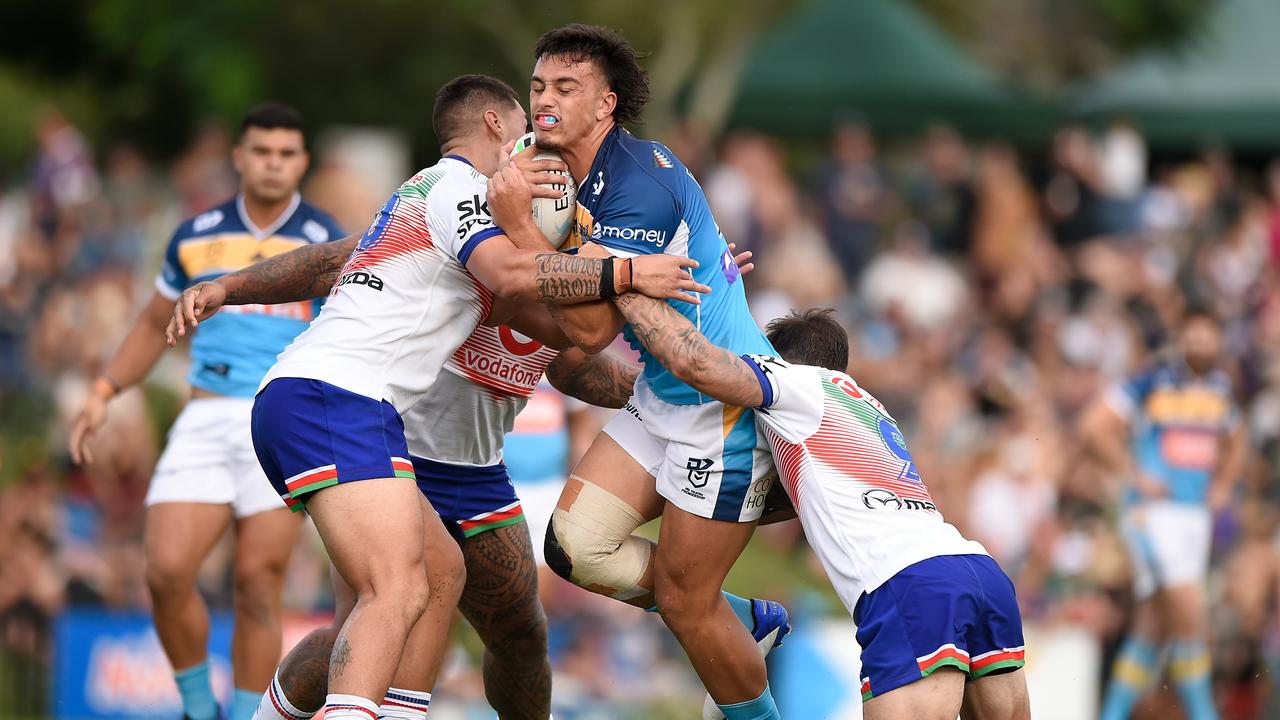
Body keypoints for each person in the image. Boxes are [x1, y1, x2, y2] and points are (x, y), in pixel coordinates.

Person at [169, 74, 703, 720]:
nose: (536, 153)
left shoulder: (462, 209)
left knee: (440, 578)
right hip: (345, 404)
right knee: (390, 594)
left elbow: (569, 338)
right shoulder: (463, 190)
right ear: (498, 128)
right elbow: (510, 279)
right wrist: (629, 274)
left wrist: (668, 352)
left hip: (372, 421)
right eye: (527, 130)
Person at [496, 24, 789, 719]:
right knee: (574, 548)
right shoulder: (538, 161)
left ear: (606, 104)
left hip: (722, 405)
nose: (546, 101)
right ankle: (746, 617)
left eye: (567, 88)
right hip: (663, 392)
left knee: (689, 607)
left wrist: (521, 234)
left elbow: (592, 329)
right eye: (539, 86)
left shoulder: (637, 184)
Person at [605, 291, 1032, 720]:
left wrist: (625, 283)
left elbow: (696, 365)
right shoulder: (868, 406)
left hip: (909, 582)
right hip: (977, 569)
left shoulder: (796, 384)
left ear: (777, 361)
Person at [65, 103, 342, 720]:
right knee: (164, 570)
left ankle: (244, 715)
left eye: (286, 153)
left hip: (282, 422)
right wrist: (104, 391)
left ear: (302, 162)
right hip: (206, 414)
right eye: (262, 151)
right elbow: (149, 322)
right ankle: (197, 708)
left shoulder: (328, 242)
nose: (273, 163)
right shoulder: (195, 233)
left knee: (256, 581)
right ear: (240, 158)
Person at [1082, 310, 1246, 720]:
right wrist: (1133, 474)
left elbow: (1236, 439)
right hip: (1153, 515)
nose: (1202, 345)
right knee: (1191, 614)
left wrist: (1223, 485)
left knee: (1153, 627)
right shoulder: (1152, 382)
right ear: (1182, 337)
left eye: (1209, 337)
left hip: (1193, 517)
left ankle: (1112, 714)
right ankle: (1204, 712)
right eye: (1195, 336)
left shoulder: (1219, 390)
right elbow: (1095, 426)